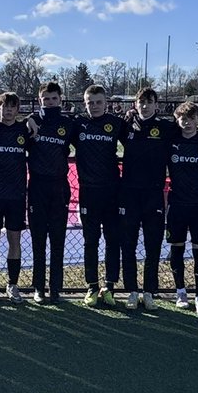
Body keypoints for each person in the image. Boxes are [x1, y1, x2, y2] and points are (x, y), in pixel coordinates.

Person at [72, 85, 125, 307]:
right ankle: (92, 286)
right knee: (90, 241)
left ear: (106, 103)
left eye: (98, 102)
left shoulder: (116, 124)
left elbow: (138, 138)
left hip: (112, 192)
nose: (94, 106)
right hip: (88, 192)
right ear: (85, 104)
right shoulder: (78, 125)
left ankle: (109, 286)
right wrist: (33, 119)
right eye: (90, 102)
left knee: (113, 240)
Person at [119, 87, 172, 310]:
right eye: (141, 102)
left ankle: (149, 290)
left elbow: (192, 127)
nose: (145, 105)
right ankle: (131, 290)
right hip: (129, 195)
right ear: (135, 104)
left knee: (153, 246)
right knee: (128, 244)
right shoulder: (126, 125)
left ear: (156, 105)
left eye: (149, 102)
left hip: (153, 195)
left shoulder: (166, 127)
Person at [26, 81, 75, 303]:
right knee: (38, 240)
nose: (50, 102)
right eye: (46, 99)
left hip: (59, 188)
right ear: (39, 100)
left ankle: (55, 288)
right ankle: (38, 287)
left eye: (54, 98)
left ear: (60, 100)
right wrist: (28, 122)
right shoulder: (33, 122)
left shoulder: (68, 123)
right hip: (37, 187)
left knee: (57, 240)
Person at [166, 101, 198, 316]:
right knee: (176, 249)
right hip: (177, 204)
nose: (187, 122)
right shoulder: (172, 141)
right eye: (183, 119)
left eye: (191, 118)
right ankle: (181, 292)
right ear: (177, 120)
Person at [0, 91, 28, 303]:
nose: (8, 110)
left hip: (17, 195)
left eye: (12, 107)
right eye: (4, 106)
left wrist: (34, 121)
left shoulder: (24, 130)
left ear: (17, 110)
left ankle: (12, 285)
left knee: (14, 240)